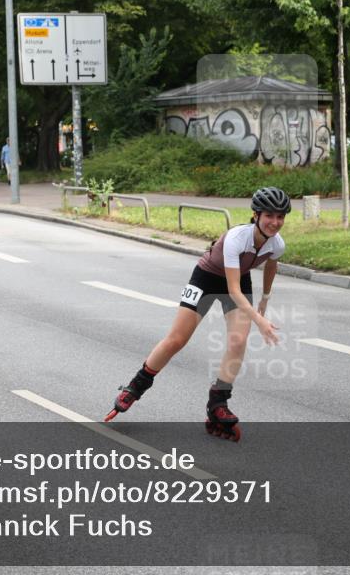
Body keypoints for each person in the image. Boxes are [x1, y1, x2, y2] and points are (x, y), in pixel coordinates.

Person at [103, 187, 291, 441]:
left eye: (281, 217)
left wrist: (265, 300)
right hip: (207, 278)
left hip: (237, 279)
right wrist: (259, 320)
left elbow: (271, 264)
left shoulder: (277, 243)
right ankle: (134, 387)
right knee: (177, 339)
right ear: (256, 214)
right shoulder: (238, 237)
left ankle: (218, 404)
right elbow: (233, 290)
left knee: (238, 341)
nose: (275, 222)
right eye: (270, 215)